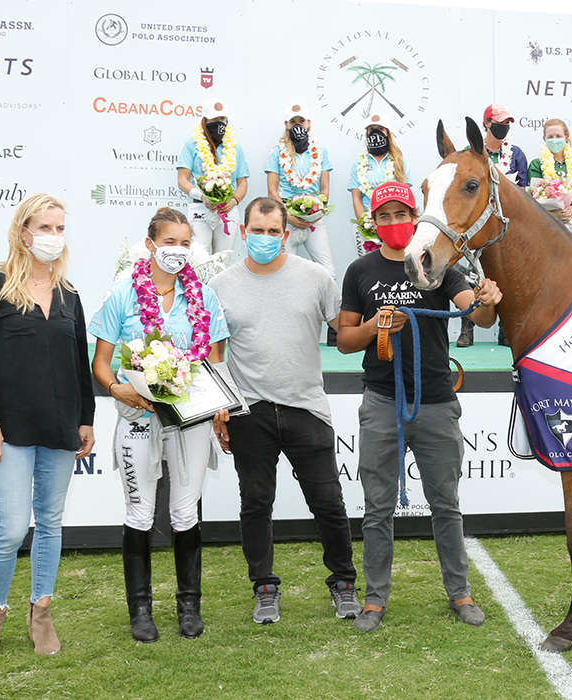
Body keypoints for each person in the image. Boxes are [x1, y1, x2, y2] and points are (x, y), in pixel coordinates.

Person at [337, 182, 502, 633]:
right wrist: (374, 325)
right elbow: (345, 341)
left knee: (446, 504)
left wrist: (487, 301)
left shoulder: (438, 264)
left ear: (416, 216)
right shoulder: (360, 271)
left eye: (401, 214)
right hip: (381, 402)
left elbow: (478, 316)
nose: (394, 224)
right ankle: (374, 600)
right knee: (377, 508)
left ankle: (461, 593)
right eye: (384, 217)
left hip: (436, 401)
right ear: (374, 223)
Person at [210, 197, 360, 624]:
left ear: (286, 234)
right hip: (247, 409)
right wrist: (222, 406)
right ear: (242, 232)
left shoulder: (316, 278)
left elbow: (345, 329)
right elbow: (215, 351)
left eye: (273, 231)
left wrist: (385, 324)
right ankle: (264, 587)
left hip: (307, 407)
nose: (265, 238)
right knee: (256, 503)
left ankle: (344, 583)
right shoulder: (221, 285)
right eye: (256, 230)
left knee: (328, 501)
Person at [0, 194, 95, 663]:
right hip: (8, 429)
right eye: (45, 228)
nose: (53, 238)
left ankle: (42, 611)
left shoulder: (70, 295)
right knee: (13, 526)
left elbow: (79, 363)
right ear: (23, 232)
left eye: (60, 229)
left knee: (51, 523)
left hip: (60, 427)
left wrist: (86, 419)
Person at [89, 207, 229, 642]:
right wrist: (118, 389)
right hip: (137, 416)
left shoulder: (203, 297)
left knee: (185, 512)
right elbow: (100, 362)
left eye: (185, 243)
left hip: (190, 421)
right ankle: (140, 610)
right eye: (169, 242)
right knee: (141, 512)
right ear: (150, 245)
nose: (177, 251)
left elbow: (216, 361)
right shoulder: (123, 296)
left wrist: (219, 404)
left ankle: (189, 606)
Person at [266, 103, 339, 345]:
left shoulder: (322, 151)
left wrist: (315, 210)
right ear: (286, 126)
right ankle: (286, 325)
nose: (298, 126)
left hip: (315, 218)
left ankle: (334, 324)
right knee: (285, 271)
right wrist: (290, 213)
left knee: (328, 270)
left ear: (309, 124)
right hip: (287, 219)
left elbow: (325, 189)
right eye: (293, 122)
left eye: (302, 121)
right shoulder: (276, 153)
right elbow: (272, 190)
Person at [458, 103, 528, 348]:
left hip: (507, 226)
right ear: (486, 123)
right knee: (472, 273)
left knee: (508, 275)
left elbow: (524, 192)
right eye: (499, 123)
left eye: (507, 123)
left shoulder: (517, 153)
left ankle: (505, 329)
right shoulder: (470, 154)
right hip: (478, 224)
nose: (504, 127)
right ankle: (467, 329)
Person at [177, 98, 249, 254]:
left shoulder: (235, 147)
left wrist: (234, 200)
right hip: (200, 207)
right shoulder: (192, 144)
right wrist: (201, 195)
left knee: (223, 258)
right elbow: (182, 179)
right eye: (215, 119)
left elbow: (242, 181)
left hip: (227, 209)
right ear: (205, 120)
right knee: (199, 257)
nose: (219, 123)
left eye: (222, 119)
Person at [348, 114, 410, 256]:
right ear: (367, 133)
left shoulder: (399, 161)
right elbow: (356, 198)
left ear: (387, 132)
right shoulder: (358, 164)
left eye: (380, 129)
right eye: (371, 129)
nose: (376, 133)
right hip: (368, 225)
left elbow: (405, 197)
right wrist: (366, 224)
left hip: (393, 224)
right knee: (367, 265)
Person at [527, 118, 572, 237]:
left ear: (566, 137)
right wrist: (555, 214)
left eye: (558, 136)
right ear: (544, 139)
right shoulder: (537, 164)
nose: (554, 140)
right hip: (547, 223)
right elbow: (534, 196)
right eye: (550, 137)